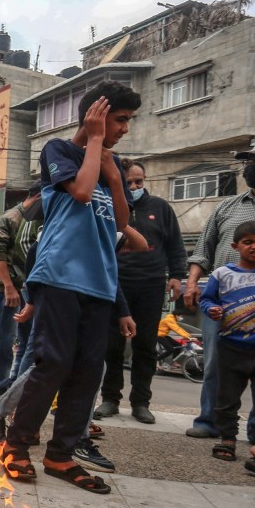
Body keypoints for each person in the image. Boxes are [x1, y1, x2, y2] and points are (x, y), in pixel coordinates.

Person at [0, 81, 140, 495]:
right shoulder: (58, 150)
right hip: (59, 275)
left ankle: (61, 456)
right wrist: (95, 141)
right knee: (53, 364)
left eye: (128, 121)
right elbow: (80, 193)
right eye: (120, 119)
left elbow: (118, 222)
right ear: (96, 115)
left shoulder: (109, 164)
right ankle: (16, 445)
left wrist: (116, 178)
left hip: (99, 283)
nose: (125, 129)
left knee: (86, 372)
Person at [183, 140, 255, 440]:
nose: (253, 167)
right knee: (216, 365)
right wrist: (192, 283)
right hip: (223, 303)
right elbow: (203, 250)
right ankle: (211, 422)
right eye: (249, 161)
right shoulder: (227, 206)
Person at [96, 159, 187, 423]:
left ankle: (141, 403)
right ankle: (110, 399)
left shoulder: (160, 208)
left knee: (146, 345)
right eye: (129, 182)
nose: (135, 186)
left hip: (151, 284)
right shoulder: (111, 206)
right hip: (116, 284)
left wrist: (177, 276)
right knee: (112, 345)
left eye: (139, 181)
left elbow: (175, 245)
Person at [199, 220, 255, 463]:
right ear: (235, 246)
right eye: (248, 242)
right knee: (227, 398)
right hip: (231, 347)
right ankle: (227, 439)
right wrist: (212, 309)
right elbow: (206, 300)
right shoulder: (222, 274)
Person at [0, 182, 41, 398]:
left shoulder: (34, 219)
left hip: (27, 288)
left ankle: (15, 387)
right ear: (38, 196)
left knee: (26, 342)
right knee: (5, 340)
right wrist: (8, 286)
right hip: (7, 288)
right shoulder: (10, 217)